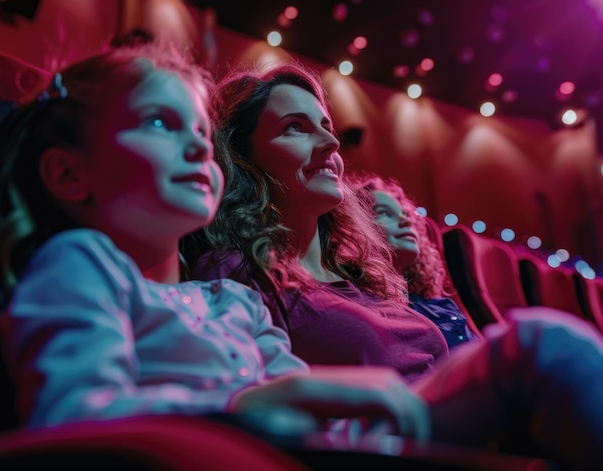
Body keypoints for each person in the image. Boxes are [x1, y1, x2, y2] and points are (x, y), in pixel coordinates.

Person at [0, 40, 431, 440]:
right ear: (69, 174)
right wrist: (239, 411)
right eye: (159, 123)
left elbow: (313, 422)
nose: (200, 148)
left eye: (200, 132)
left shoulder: (236, 302)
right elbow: (70, 416)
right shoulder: (80, 265)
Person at [185, 60, 603, 468]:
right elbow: (249, 400)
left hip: (458, 427)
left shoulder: (363, 278)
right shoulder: (235, 271)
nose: (331, 145)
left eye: (326, 128)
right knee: (539, 343)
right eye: (294, 127)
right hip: (380, 438)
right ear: (243, 158)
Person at [347, 172, 477, 349]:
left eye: (404, 213)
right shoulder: (363, 311)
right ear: (354, 228)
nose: (404, 219)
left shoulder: (441, 305)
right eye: (384, 212)